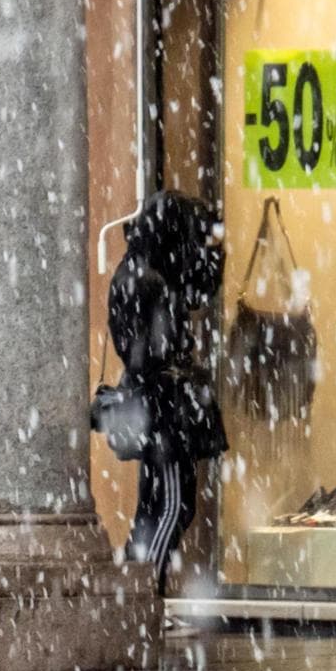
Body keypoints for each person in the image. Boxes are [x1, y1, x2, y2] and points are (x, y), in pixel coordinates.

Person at [107, 192, 228, 590]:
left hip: (153, 404)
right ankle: (148, 596)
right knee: (174, 504)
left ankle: (135, 595)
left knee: (152, 507)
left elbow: (196, 293)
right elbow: (153, 346)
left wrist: (212, 251)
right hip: (165, 407)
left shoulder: (138, 270)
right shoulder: (148, 279)